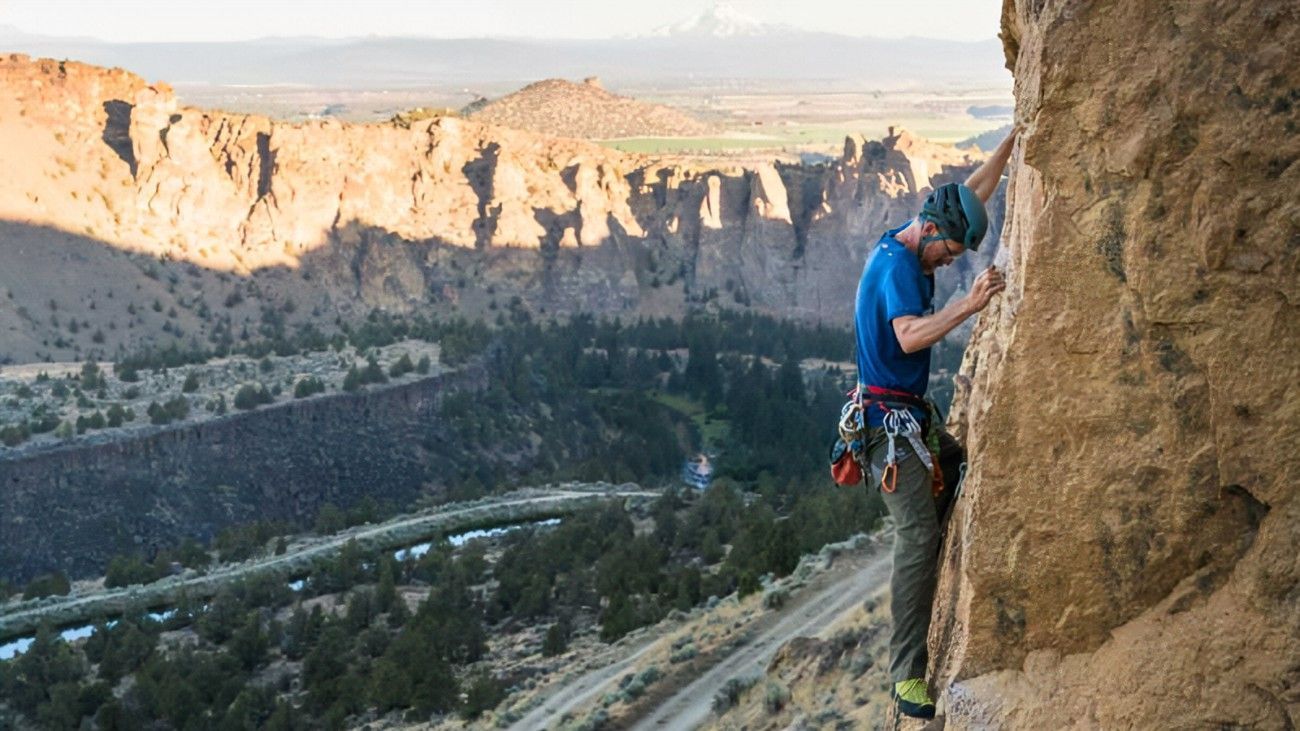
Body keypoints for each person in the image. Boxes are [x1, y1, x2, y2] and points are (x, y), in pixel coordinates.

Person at [852, 128, 1017, 719]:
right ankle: (905, 677)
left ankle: (940, 573)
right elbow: (907, 335)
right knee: (917, 536)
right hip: (887, 430)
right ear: (929, 233)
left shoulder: (918, 230)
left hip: (909, 418)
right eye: (947, 254)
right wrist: (968, 304)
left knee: (955, 463)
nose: (948, 263)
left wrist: (1015, 139)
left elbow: (971, 192)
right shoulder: (900, 266)